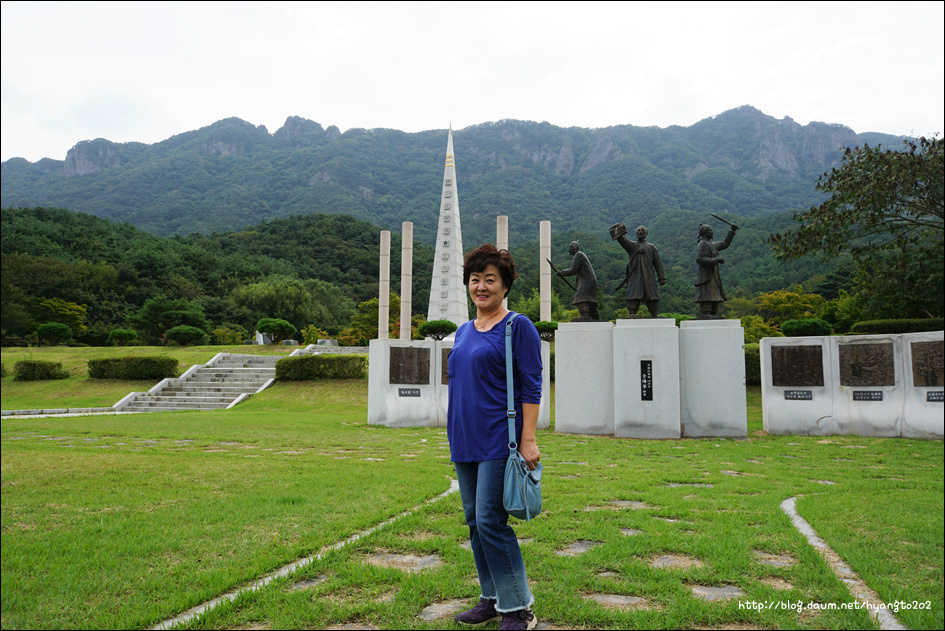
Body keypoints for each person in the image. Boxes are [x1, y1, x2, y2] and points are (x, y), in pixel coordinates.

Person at [448, 244, 542, 631]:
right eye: (475, 280)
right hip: (464, 438)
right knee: (473, 521)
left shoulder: (517, 326)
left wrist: (529, 439)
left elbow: (531, 385)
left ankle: (519, 608)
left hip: (499, 440)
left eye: (490, 280)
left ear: (505, 287)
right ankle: (491, 597)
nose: (481, 287)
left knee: (490, 520)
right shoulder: (463, 331)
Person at [611, 223, 666, 317]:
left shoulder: (651, 247)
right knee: (633, 294)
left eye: (643, 231)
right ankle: (632, 313)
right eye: (638, 231)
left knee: (652, 295)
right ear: (636, 233)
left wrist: (662, 277)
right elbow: (620, 239)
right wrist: (615, 228)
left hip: (649, 275)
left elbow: (658, 263)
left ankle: (654, 313)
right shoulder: (632, 245)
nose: (640, 232)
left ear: (646, 233)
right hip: (635, 275)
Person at [694, 222, 738, 318]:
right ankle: (706, 313)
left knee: (714, 295)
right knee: (707, 294)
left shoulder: (711, 244)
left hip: (713, 276)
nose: (712, 232)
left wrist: (732, 231)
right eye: (710, 230)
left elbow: (724, 244)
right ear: (705, 232)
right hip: (706, 276)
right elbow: (699, 259)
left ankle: (712, 313)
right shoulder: (703, 244)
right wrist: (716, 260)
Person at [555, 241, 601, 321]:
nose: (569, 249)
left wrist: (562, 272)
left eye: (570, 248)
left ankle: (584, 316)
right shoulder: (580, 255)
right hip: (589, 281)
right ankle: (596, 317)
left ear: (574, 248)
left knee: (581, 296)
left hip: (587, 281)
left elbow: (573, 270)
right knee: (590, 299)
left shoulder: (578, 255)